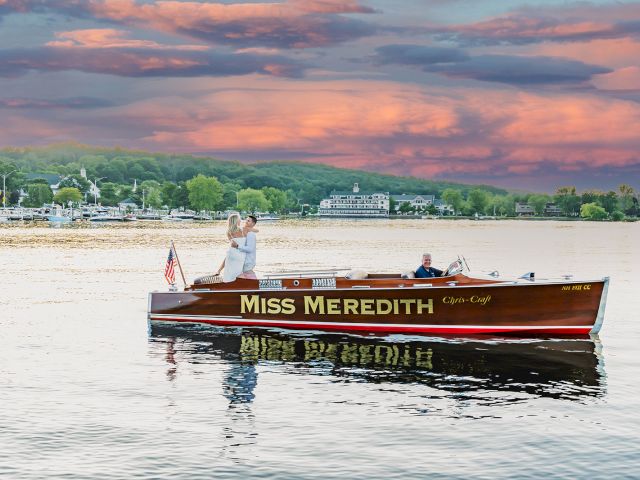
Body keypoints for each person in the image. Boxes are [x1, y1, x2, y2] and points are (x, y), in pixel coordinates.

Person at [217, 213, 247, 282]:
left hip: (232, 255)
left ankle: (219, 272)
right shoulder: (243, 230)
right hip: (241, 256)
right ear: (237, 221)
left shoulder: (228, 232)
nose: (241, 221)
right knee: (239, 275)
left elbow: (233, 245)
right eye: (240, 219)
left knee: (229, 275)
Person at [233, 215, 258, 279]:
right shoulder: (246, 232)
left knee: (248, 275)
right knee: (243, 277)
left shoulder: (251, 234)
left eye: (248, 221)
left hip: (248, 261)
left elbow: (250, 249)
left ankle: (256, 286)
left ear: (253, 224)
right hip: (244, 261)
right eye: (246, 220)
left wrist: (237, 246)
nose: (246, 222)